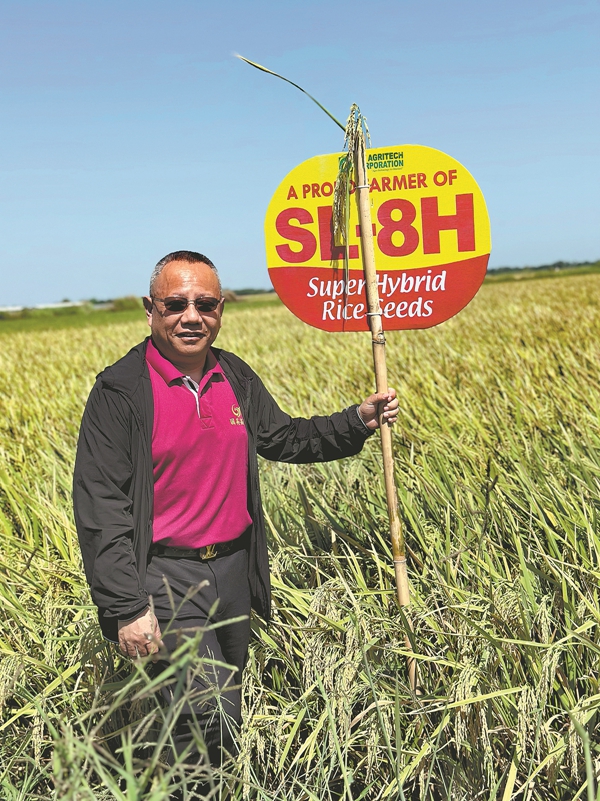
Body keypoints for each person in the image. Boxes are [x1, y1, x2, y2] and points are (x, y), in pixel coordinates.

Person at [73, 250, 399, 769]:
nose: (191, 316)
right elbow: (101, 506)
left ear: (221, 309)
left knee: (222, 714)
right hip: (167, 577)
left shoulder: (234, 375)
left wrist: (356, 420)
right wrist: (125, 607)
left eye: (205, 304)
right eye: (175, 304)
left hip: (233, 572)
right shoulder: (121, 392)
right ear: (149, 309)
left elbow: (284, 437)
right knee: (206, 721)